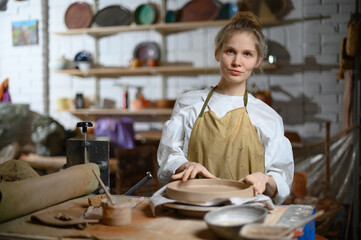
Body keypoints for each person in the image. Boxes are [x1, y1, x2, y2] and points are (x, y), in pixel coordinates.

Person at [157, 12, 294, 204]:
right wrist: (184, 165)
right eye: (230, 51)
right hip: (193, 207)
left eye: (247, 54)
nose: (237, 61)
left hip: (246, 212)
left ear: (258, 60)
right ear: (217, 53)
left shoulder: (267, 117)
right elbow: (168, 156)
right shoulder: (189, 103)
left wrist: (265, 179)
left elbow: (281, 177)